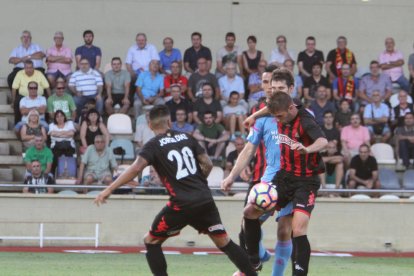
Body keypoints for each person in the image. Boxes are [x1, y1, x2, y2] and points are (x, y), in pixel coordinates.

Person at [94, 105, 258, 276]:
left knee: (151, 241)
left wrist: (109, 189)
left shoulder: (153, 145)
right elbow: (208, 164)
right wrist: (198, 182)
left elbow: (136, 169)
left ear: (150, 125)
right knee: (224, 242)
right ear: (170, 122)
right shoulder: (186, 137)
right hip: (204, 199)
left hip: (181, 204)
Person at [222, 67, 296, 276]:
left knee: (284, 230)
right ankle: (255, 261)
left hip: (293, 181)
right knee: (247, 222)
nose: (272, 90)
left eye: (278, 87)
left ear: (290, 88)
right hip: (267, 180)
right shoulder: (263, 118)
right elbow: (248, 149)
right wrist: (231, 176)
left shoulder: (301, 113)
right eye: (270, 86)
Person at [266, 92, 327, 276]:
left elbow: (323, 141)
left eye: (279, 116)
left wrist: (307, 149)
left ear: (291, 109)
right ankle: (254, 258)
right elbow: (267, 110)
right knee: (252, 212)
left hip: (306, 181)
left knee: (298, 229)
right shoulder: (282, 108)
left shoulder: (306, 121)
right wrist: (252, 117)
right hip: (284, 177)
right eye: (275, 116)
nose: (277, 120)